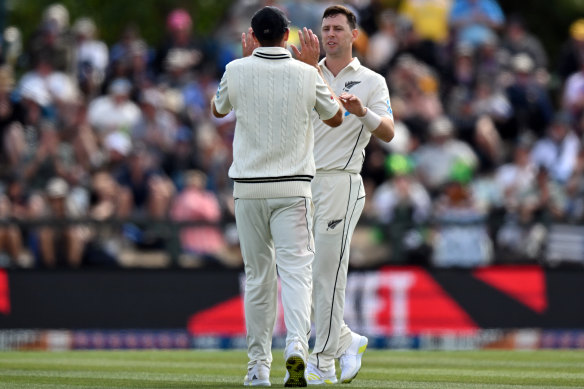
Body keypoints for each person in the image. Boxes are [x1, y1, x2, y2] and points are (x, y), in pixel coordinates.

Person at [211, 6, 343, 387]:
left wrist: (243, 64)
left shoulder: (236, 69)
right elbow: (335, 117)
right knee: (297, 274)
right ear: (286, 37)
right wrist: (314, 67)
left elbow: (218, 109)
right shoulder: (306, 72)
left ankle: (257, 369)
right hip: (294, 189)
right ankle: (298, 347)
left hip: (249, 190)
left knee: (258, 279)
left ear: (252, 36)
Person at [296, 5, 394, 385]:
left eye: (338, 28)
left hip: (343, 180)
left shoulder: (371, 80)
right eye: (326, 29)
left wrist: (362, 111)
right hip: (302, 182)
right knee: (305, 276)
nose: (331, 34)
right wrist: (303, 71)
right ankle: (347, 340)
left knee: (328, 274)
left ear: (354, 34)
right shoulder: (307, 72)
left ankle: (322, 364)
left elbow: (388, 132)